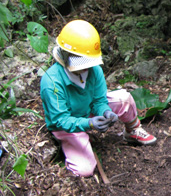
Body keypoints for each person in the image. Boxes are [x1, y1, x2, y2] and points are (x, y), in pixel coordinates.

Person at [40, 20, 157, 178]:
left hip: (87, 110)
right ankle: (71, 148)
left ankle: (132, 129)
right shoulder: (51, 81)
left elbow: (99, 100)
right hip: (67, 125)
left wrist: (106, 112)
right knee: (85, 170)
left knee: (124, 98)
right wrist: (89, 123)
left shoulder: (94, 70)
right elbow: (60, 119)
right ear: (66, 55)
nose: (86, 67)